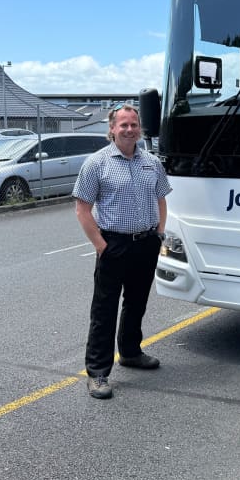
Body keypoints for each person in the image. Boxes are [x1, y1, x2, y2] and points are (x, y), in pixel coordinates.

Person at [72, 103, 171, 399]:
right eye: (123, 125)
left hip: (146, 242)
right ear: (112, 129)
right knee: (104, 309)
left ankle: (130, 352)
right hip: (113, 244)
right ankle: (98, 373)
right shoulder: (97, 163)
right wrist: (102, 246)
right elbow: (82, 209)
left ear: (140, 128)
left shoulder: (151, 162)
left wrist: (159, 233)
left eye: (134, 124)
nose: (129, 130)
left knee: (136, 302)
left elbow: (161, 198)